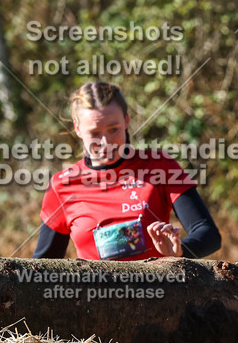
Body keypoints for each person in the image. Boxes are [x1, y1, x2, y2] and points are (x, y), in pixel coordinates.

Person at [33, 81, 221, 260]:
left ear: (126, 120)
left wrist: (179, 252)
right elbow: (42, 266)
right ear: (78, 129)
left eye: (114, 129)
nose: (106, 143)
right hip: (94, 294)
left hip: (160, 291)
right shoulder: (62, 185)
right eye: (95, 133)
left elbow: (208, 235)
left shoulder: (159, 166)